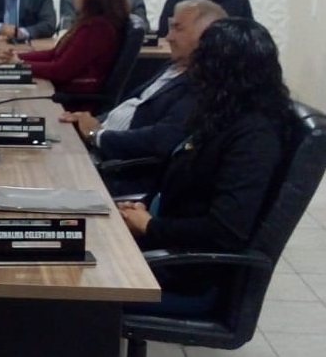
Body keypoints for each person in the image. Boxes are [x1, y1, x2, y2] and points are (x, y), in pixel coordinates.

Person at [119, 18, 296, 315]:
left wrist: (150, 226)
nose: (195, 70)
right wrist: (143, 209)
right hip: (163, 250)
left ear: (222, 69)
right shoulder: (222, 114)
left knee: (66, 286)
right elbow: (182, 178)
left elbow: (225, 230)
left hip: (187, 275)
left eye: (203, 60)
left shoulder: (255, 135)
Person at [60, 0, 226, 162]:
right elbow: (134, 106)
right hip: (100, 140)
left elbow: (162, 139)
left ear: (205, 37)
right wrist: (90, 121)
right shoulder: (173, 66)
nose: (168, 37)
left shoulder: (202, 82)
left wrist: (96, 135)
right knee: (47, 138)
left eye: (178, 28)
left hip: (114, 163)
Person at [0, 0, 129, 107]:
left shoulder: (97, 29)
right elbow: (54, 54)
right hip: (68, 88)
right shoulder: (92, 24)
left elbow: (60, 70)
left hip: (75, 96)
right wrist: (18, 57)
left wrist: (21, 65)